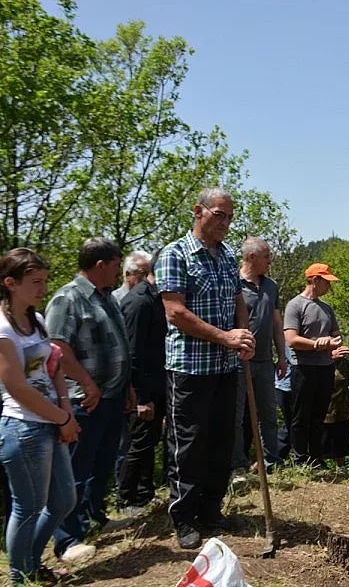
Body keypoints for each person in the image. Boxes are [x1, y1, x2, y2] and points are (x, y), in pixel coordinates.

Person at [155, 187, 255, 549]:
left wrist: (242, 335)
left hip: (226, 367)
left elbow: (237, 300)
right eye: (219, 215)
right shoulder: (175, 254)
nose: (225, 223)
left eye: (229, 216)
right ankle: (184, 517)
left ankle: (212, 510)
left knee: (221, 440)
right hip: (190, 368)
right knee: (189, 444)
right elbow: (175, 312)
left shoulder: (228, 256)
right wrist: (226, 337)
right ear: (198, 211)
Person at [46, 238, 135, 565]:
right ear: (100, 265)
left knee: (101, 464)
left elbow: (119, 344)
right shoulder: (67, 299)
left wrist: (127, 388)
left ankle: (97, 516)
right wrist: (86, 382)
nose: (118, 272)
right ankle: (67, 539)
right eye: (115, 265)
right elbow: (56, 348)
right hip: (84, 400)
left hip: (111, 396)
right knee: (76, 469)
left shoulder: (107, 297)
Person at [0, 249, 78, 584]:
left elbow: (51, 367)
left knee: (63, 500)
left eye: (44, 281)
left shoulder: (38, 320)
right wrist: (61, 419)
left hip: (50, 421)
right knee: (28, 507)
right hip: (23, 427)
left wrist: (65, 407)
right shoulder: (3, 328)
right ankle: (21, 576)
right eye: (35, 282)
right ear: (10, 283)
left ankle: (30, 564)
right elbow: (16, 387)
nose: (43, 288)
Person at [117, 251, 167, 516]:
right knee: (138, 444)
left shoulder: (154, 298)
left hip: (157, 383)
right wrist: (142, 397)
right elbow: (133, 353)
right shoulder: (138, 302)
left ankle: (145, 494)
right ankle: (126, 500)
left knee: (149, 441)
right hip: (143, 388)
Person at [232, 237, 287, 477]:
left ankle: (270, 461)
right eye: (266, 257)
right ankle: (237, 465)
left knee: (267, 413)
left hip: (265, 361)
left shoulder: (271, 286)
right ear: (251, 257)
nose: (270, 261)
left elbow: (276, 323)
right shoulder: (233, 284)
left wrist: (282, 357)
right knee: (236, 416)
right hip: (237, 360)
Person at [283, 263, 345, 468]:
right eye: (327, 282)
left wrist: (334, 342)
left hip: (325, 367)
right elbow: (291, 339)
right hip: (303, 368)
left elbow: (337, 335)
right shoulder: (295, 305)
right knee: (301, 415)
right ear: (315, 280)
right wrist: (318, 344)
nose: (329, 287)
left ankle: (317, 457)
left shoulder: (326, 308)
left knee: (319, 415)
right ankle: (300, 458)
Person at [321, 345, 349, 467]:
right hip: (322, 406)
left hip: (340, 406)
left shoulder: (343, 363)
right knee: (322, 434)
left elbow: (345, 379)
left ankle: (341, 465)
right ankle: (318, 463)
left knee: (340, 433)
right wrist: (329, 357)